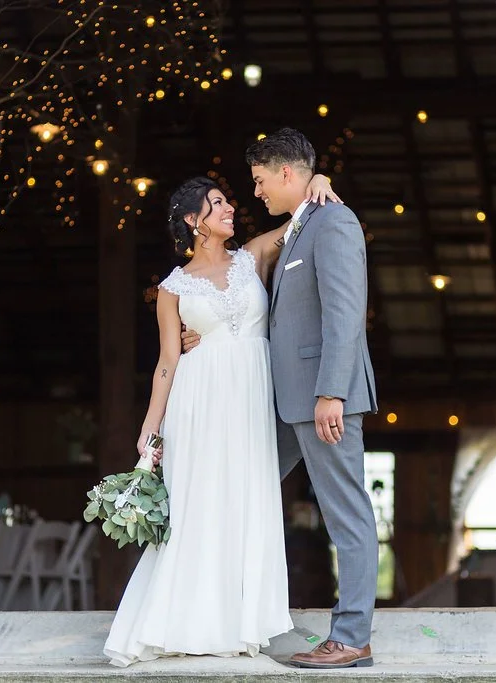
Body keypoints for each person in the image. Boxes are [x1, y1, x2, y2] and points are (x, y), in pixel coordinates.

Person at [103, 172, 339, 667]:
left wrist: (317, 177)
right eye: (216, 204)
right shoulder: (172, 288)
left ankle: (239, 623)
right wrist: (151, 428)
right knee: (198, 506)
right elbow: (168, 360)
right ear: (193, 221)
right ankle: (184, 622)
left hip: (250, 402)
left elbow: (299, 219)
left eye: (228, 201)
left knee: (246, 501)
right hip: (198, 403)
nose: (230, 208)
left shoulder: (251, 257)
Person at [181, 128, 378, 669]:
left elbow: (344, 311)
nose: (257, 192)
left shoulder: (333, 221)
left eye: (261, 180)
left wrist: (333, 392)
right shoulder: (298, 226)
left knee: (346, 513)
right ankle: (228, 612)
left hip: (322, 401)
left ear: (286, 174)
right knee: (242, 494)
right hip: (285, 404)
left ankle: (352, 636)